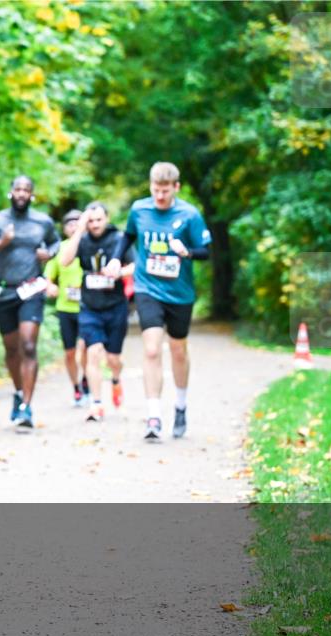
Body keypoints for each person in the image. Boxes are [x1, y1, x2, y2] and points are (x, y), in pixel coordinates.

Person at [105, 162, 211, 440]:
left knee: (178, 350)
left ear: (176, 187)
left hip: (179, 293)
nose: (160, 196)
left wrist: (186, 252)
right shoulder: (140, 209)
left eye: (165, 191)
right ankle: (153, 416)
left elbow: (205, 251)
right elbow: (127, 236)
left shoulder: (190, 214)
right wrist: (116, 258)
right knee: (151, 350)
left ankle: (180, 405)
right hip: (147, 287)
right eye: (155, 190)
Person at [0, 176, 59, 428]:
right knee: (12, 350)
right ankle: (19, 392)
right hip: (4, 292)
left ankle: (26, 408)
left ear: (32, 195)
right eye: (17, 189)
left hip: (31, 289)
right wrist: (1, 243)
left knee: (29, 345)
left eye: (26, 190)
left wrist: (49, 253)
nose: (21, 193)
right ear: (11, 192)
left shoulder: (43, 221)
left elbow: (55, 242)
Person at [58, 203, 135, 422]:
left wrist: (118, 272)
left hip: (116, 306)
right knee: (92, 352)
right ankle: (96, 404)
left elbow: (135, 265)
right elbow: (64, 261)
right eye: (90, 221)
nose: (95, 225)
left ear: (107, 218)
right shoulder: (82, 240)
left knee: (113, 358)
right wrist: (79, 230)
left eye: (99, 220)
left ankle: (116, 379)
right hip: (89, 307)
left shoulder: (119, 239)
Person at [44, 210, 89, 407]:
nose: (73, 227)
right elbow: (48, 277)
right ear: (64, 229)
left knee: (85, 349)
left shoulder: (91, 245)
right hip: (65, 307)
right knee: (70, 352)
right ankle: (76, 387)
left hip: (88, 307)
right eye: (69, 224)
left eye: (77, 223)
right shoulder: (60, 249)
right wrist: (50, 286)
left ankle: (88, 379)